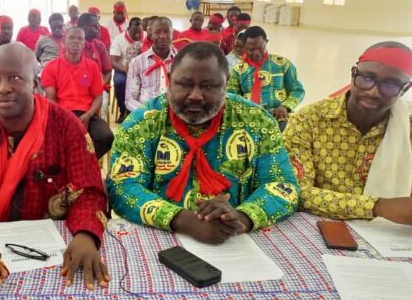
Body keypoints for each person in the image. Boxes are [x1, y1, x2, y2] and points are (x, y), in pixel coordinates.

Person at [0, 42, 109, 292]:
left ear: (36, 84)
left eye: (15, 78)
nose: (3, 88)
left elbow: (90, 192)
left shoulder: (66, 125)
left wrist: (85, 236)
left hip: (57, 248)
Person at [107, 42, 299, 243]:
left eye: (208, 86)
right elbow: (122, 186)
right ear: (170, 80)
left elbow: (283, 184)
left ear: (227, 83)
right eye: (185, 84)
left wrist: (241, 218)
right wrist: (183, 220)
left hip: (236, 242)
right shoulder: (142, 122)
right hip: (160, 240)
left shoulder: (257, 121)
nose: (196, 96)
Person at [284, 41, 412, 224]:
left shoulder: (407, 128)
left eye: (390, 84)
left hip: (389, 235)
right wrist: (378, 207)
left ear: (405, 89)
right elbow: (296, 191)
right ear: (353, 74)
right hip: (318, 226)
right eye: (367, 78)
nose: (374, 92)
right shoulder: (310, 120)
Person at [42, 27, 114, 159]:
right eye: (71, 38)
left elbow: (98, 97)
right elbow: (50, 99)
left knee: (105, 136)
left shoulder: (92, 66)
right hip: (61, 114)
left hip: (87, 115)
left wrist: (89, 114)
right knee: (48, 140)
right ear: (64, 42)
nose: (76, 41)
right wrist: (66, 118)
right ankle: (71, 165)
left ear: (83, 44)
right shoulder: (51, 67)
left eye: (80, 39)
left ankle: (84, 162)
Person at [227, 26, 304, 131]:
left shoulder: (282, 63)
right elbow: (231, 96)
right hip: (249, 119)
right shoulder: (238, 70)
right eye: (251, 50)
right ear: (244, 47)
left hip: (279, 118)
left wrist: (285, 106)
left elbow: (297, 90)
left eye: (260, 48)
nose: (256, 53)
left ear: (266, 42)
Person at [125, 17, 176, 112]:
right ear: (151, 34)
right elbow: (130, 99)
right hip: (145, 113)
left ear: (172, 33)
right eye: (157, 32)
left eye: (166, 31)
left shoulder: (181, 61)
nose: (162, 36)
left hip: (174, 114)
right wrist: (147, 113)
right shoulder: (137, 62)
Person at [78, 13, 112, 121]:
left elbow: (108, 71)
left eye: (98, 25)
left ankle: (98, 129)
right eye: (94, 26)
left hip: (98, 87)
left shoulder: (99, 45)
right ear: (83, 27)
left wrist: (99, 86)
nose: (98, 28)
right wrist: (86, 86)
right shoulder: (74, 46)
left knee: (102, 104)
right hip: (77, 88)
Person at [110, 17, 144, 123]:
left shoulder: (147, 36)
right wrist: (127, 70)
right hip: (123, 70)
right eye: (134, 32)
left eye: (140, 32)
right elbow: (113, 61)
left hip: (143, 71)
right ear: (128, 29)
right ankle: (123, 111)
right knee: (120, 82)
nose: (137, 35)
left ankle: (141, 112)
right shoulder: (119, 39)